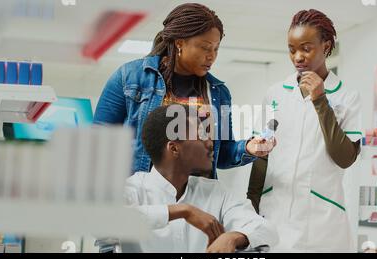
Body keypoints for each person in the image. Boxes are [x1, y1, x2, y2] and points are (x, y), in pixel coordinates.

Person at [94, 3, 274, 178]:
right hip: (142, 196)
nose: (212, 56)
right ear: (180, 43)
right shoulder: (130, 77)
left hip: (196, 198)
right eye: (205, 47)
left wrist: (249, 148)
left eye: (216, 48)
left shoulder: (218, 93)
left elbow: (222, 154)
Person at [247, 9, 362, 252]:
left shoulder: (347, 96)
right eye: (291, 49)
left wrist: (320, 101)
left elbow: (345, 158)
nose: (298, 56)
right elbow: (263, 154)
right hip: (274, 216)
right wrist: (251, 208)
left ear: (326, 46)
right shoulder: (275, 94)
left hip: (322, 223)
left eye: (306, 48)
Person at [124, 105, 278, 253]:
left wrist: (233, 237)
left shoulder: (215, 191)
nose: (210, 143)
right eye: (201, 136)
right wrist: (184, 211)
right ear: (174, 148)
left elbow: (266, 230)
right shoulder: (133, 189)